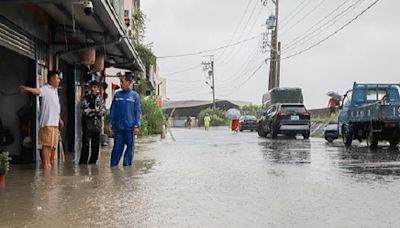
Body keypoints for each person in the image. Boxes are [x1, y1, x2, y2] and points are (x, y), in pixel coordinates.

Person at [19, 70, 64, 169]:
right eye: (57, 78)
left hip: (54, 123)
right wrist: (27, 89)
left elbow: (55, 107)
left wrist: (59, 119)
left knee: (52, 145)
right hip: (47, 123)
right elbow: (37, 91)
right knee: (46, 145)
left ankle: (48, 164)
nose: (59, 80)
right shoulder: (46, 89)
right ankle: (46, 164)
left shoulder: (55, 91)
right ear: (52, 79)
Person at [108, 73, 141, 167]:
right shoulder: (117, 95)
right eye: (120, 82)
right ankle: (113, 167)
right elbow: (113, 109)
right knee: (117, 148)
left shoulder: (135, 96)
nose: (121, 84)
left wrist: (137, 125)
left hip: (130, 128)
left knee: (130, 149)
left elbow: (138, 112)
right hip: (118, 128)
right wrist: (110, 122)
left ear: (129, 82)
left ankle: (127, 168)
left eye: (122, 81)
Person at [79, 80, 104, 165]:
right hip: (87, 124)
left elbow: (101, 112)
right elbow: (85, 111)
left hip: (96, 125)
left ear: (98, 89)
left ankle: (93, 164)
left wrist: (93, 111)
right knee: (85, 145)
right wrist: (95, 111)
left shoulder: (100, 99)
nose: (93, 89)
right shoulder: (85, 98)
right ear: (90, 88)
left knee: (95, 145)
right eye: (92, 87)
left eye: (95, 87)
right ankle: (83, 163)